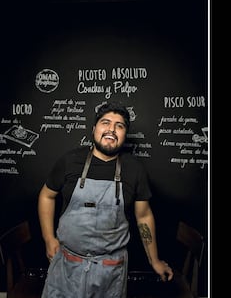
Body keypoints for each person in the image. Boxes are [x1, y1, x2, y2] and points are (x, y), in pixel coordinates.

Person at [38, 101, 173, 298]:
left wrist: (154, 260)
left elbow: (143, 217)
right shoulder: (70, 161)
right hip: (66, 267)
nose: (111, 129)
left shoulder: (134, 169)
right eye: (105, 122)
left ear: (125, 134)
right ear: (94, 129)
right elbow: (46, 195)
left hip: (110, 271)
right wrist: (49, 238)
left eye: (119, 126)